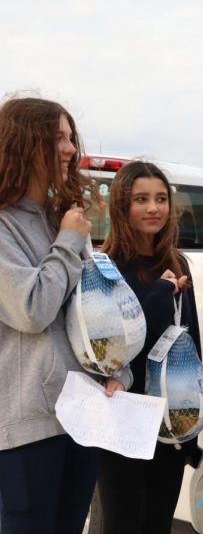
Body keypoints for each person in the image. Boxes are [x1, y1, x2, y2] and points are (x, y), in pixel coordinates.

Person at [0, 97, 129, 533]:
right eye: (57, 138)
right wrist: (69, 242)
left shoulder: (62, 219)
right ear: (22, 143)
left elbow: (92, 315)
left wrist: (118, 371)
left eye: (71, 137)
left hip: (82, 416)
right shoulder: (5, 225)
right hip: (27, 428)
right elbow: (31, 309)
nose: (71, 148)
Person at [95, 161, 201, 533]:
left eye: (160, 199)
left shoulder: (177, 261)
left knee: (158, 523)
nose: (153, 208)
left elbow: (189, 341)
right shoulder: (106, 267)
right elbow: (117, 341)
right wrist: (160, 291)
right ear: (122, 206)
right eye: (141, 199)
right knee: (121, 522)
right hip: (121, 412)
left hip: (166, 416)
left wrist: (191, 426)